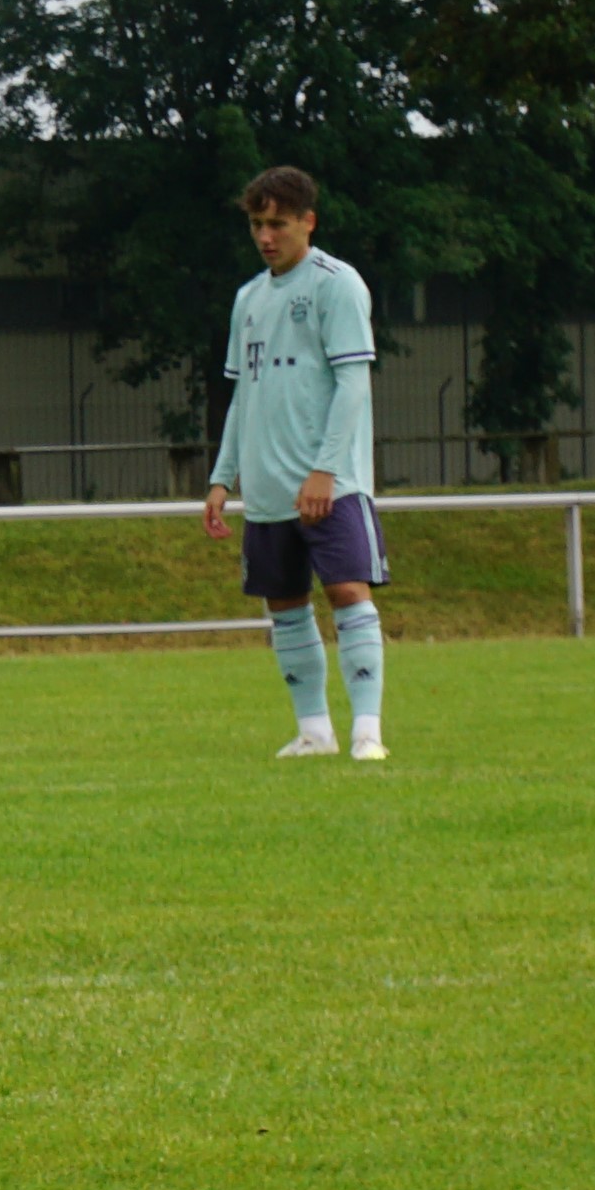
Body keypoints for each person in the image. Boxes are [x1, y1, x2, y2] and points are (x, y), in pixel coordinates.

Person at [199, 167, 385, 761]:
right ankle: (315, 731)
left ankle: (367, 734)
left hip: (332, 484)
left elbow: (354, 383)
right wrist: (222, 477)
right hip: (270, 488)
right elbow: (243, 397)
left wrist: (326, 469)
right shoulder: (248, 298)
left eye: (278, 223)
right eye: (257, 224)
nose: (265, 236)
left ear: (309, 221)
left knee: (348, 592)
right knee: (283, 603)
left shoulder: (338, 285)